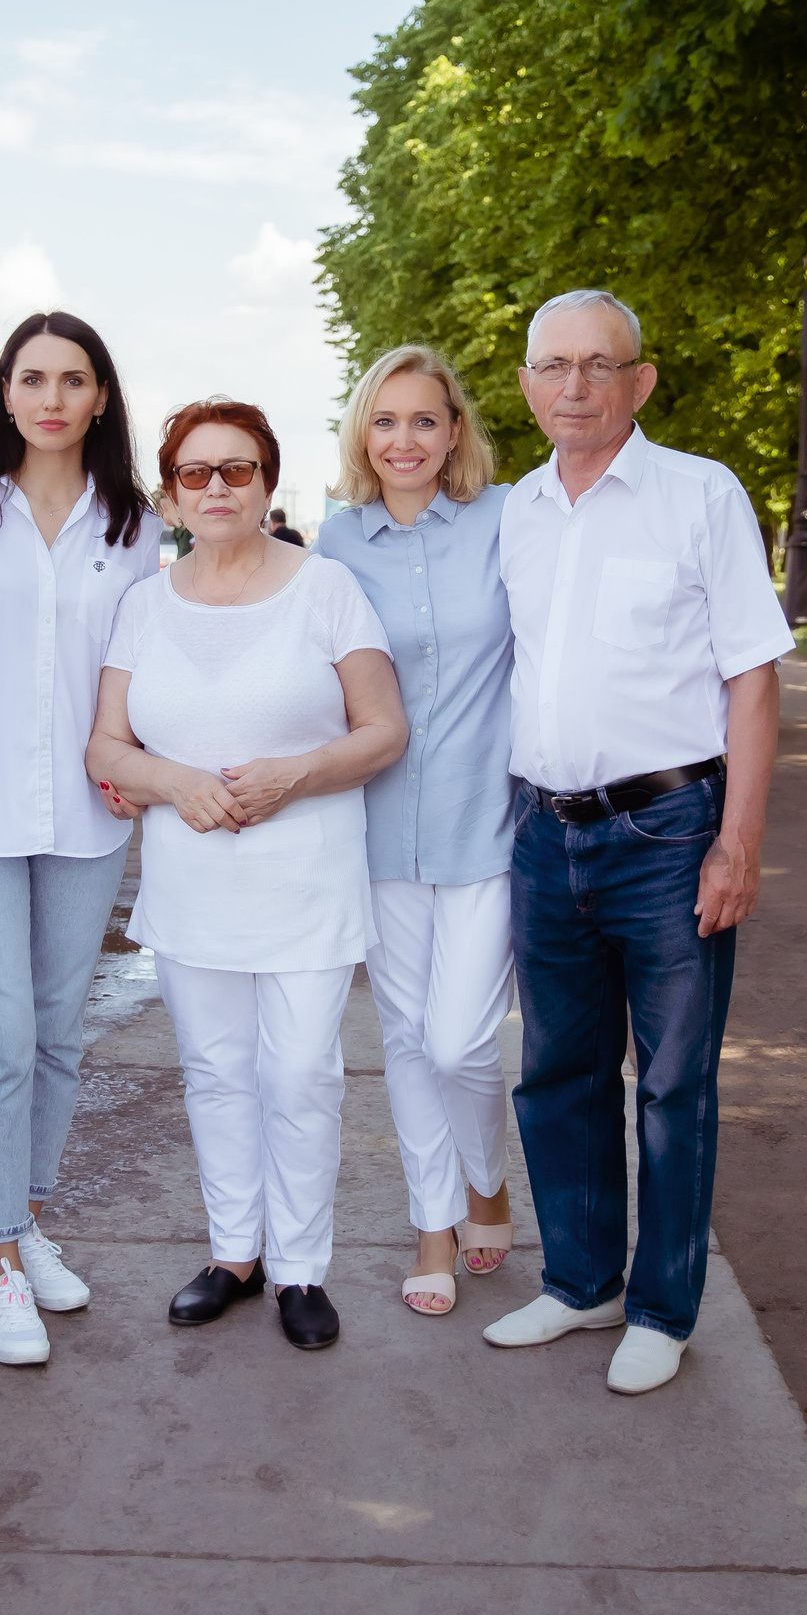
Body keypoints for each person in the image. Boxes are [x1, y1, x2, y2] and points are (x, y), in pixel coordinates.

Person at [479, 290, 790, 1396]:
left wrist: (737, 843)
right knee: (556, 1072)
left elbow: (751, 678)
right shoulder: (512, 509)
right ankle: (579, 1285)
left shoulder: (699, 496)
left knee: (669, 1085)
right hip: (542, 831)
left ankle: (661, 1307)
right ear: (524, 383)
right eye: (553, 365)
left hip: (667, 830)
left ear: (639, 382)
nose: (575, 386)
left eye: (599, 366)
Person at [86, 398, 407, 1350]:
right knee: (216, 1071)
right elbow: (106, 743)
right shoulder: (144, 605)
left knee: (302, 1072)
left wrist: (292, 774)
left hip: (306, 876)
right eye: (196, 472)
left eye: (238, 470)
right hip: (193, 883)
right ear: (171, 492)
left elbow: (384, 730)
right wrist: (173, 780)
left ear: (268, 483)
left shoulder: (329, 588)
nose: (217, 487)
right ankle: (235, 1251)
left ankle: (302, 1267)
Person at [0, 314, 161, 1366]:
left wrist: (146, 755)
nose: (53, 396)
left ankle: (25, 1217)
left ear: (101, 397)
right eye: (33, 378)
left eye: (74, 379)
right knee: (0, 1037)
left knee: (61, 1033)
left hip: (86, 812)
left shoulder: (137, 524)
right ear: (5, 394)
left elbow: (154, 662)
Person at [315, 346, 516, 1318]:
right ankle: (435, 1221)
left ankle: (487, 1177)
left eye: (424, 421)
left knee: (462, 1045)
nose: (405, 440)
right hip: (380, 830)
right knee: (403, 1037)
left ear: (454, 431)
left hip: (490, 823)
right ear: (363, 433)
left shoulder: (507, 519)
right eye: (385, 421)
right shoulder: (336, 541)